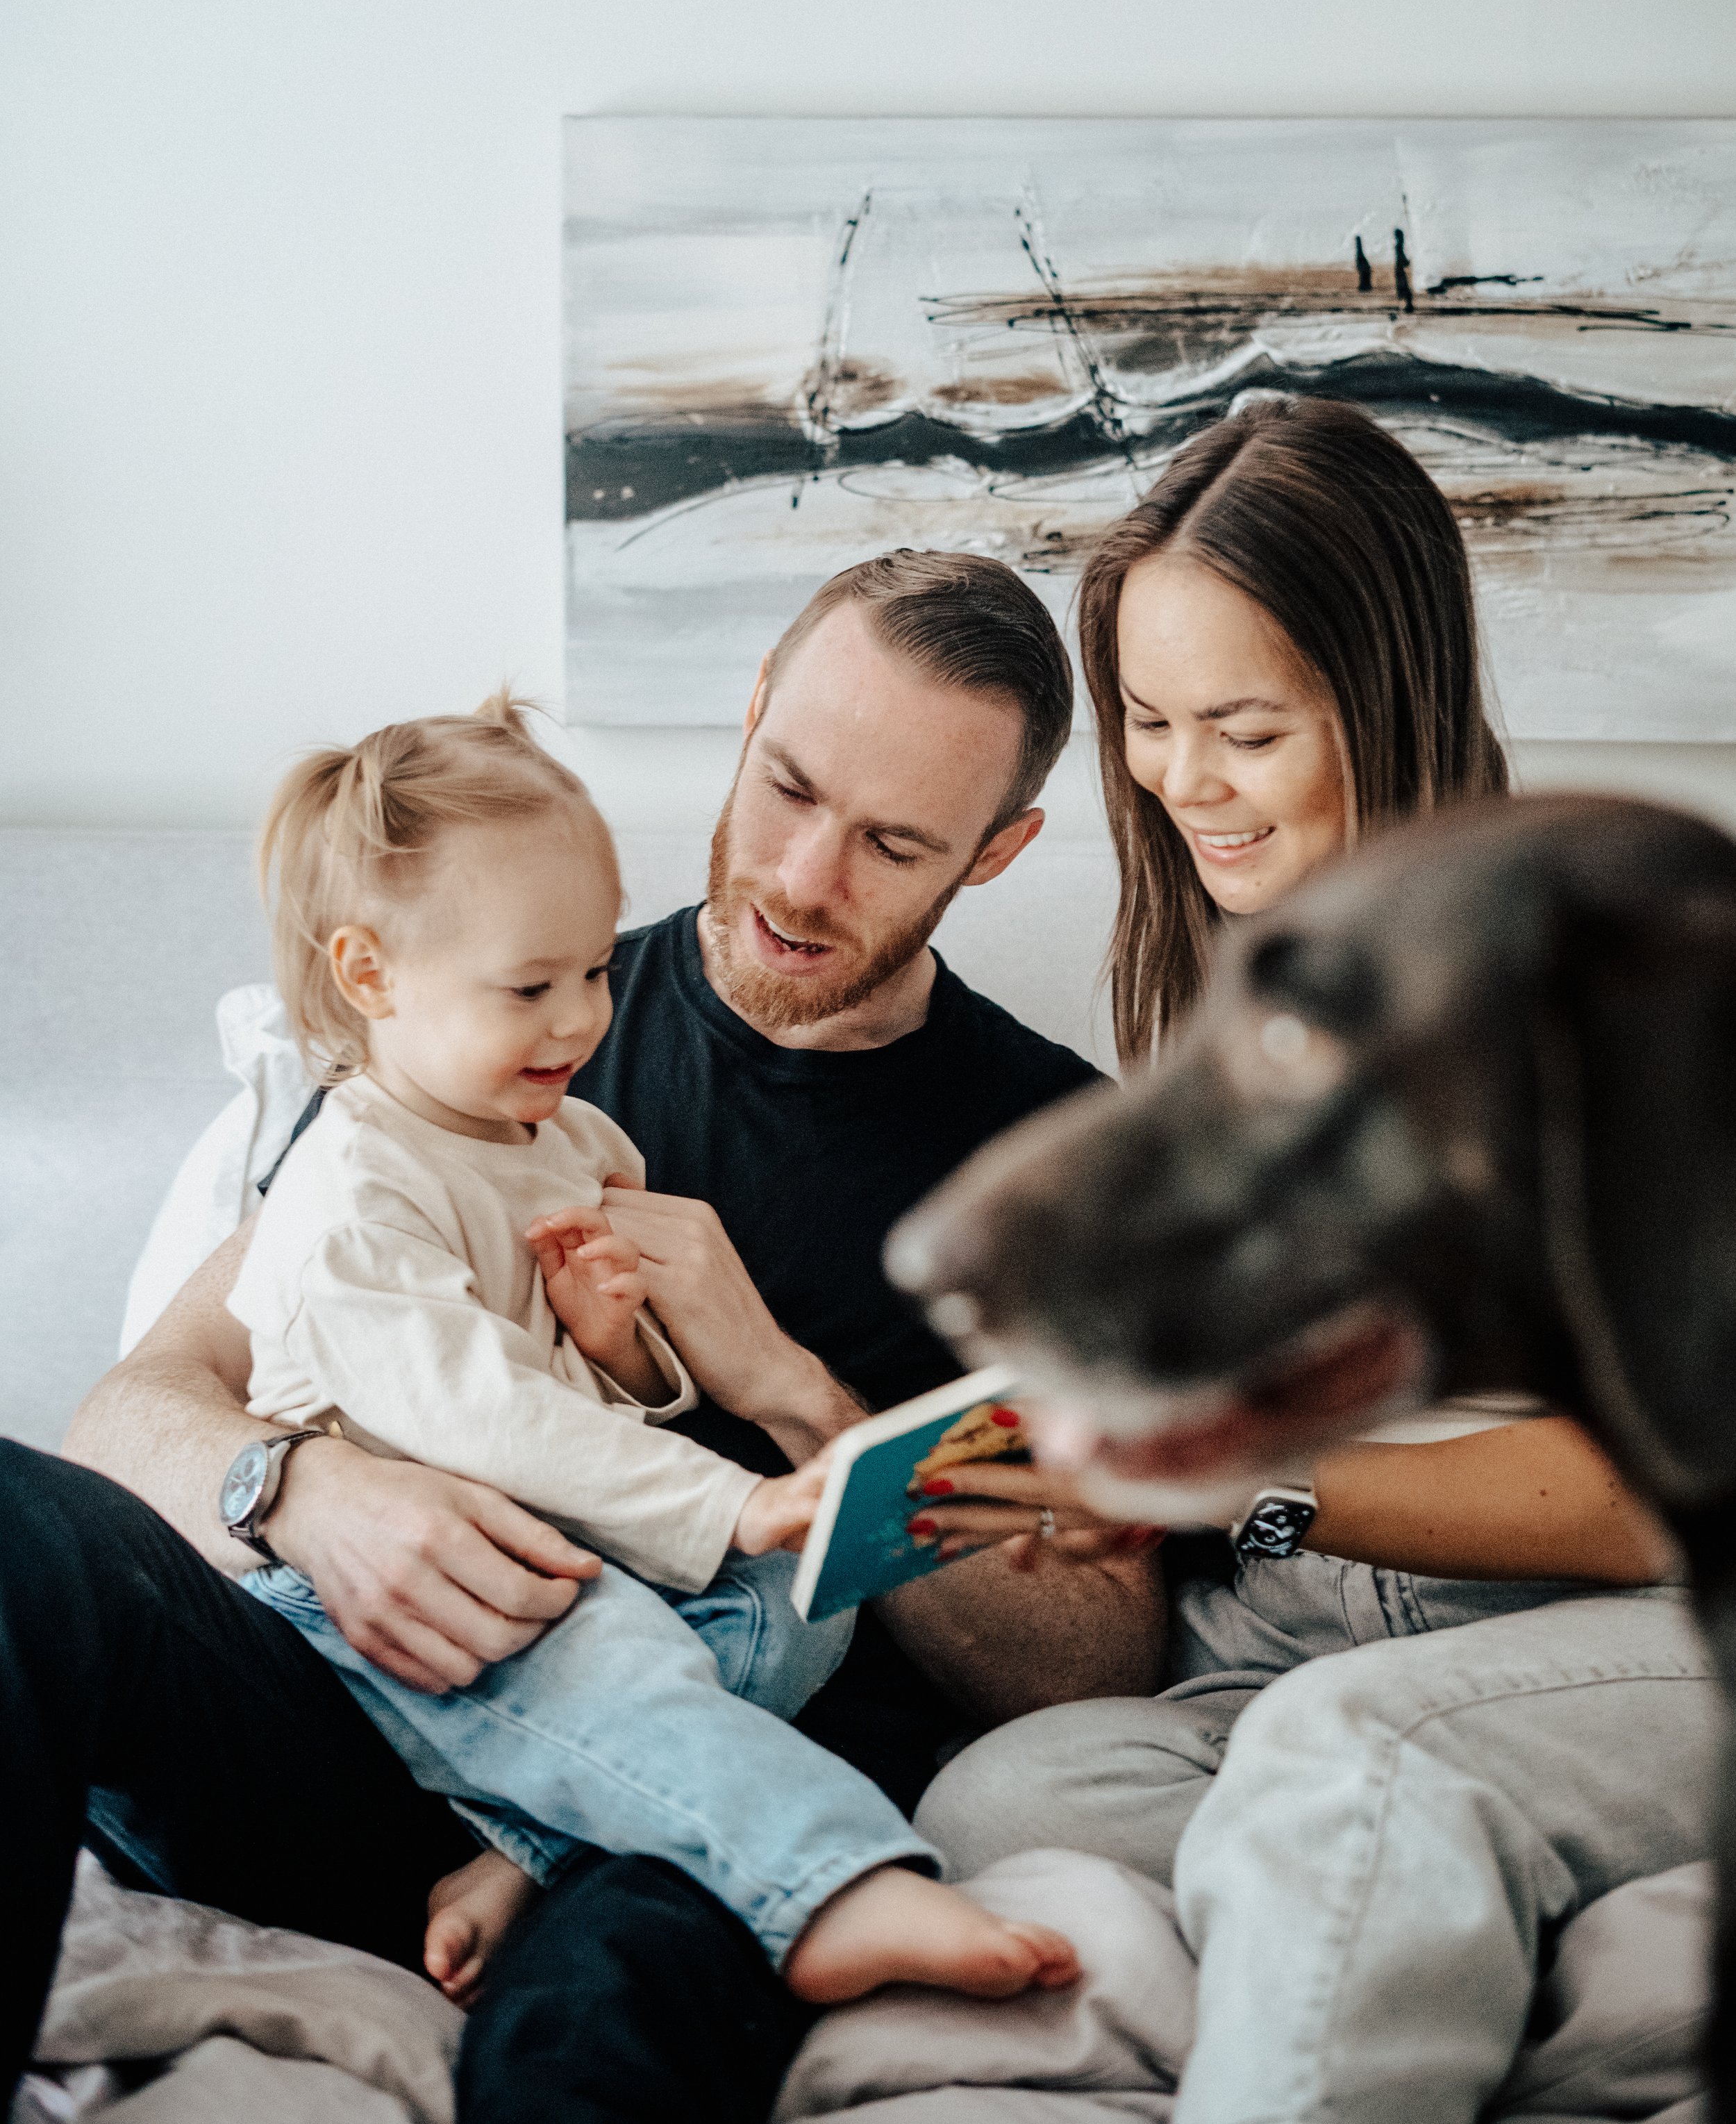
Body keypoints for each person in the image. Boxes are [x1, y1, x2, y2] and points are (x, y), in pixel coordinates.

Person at [16, 548, 1156, 2121]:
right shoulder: (498, 1002)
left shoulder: (1064, 1166)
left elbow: (1094, 1655)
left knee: (610, 2019)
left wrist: (796, 1397)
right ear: (750, 712)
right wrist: (299, 1491)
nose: (803, 877)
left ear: (1000, 851)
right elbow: (140, 1401)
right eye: (788, 786)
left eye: (892, 843)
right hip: (336, 1713)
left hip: (688, 1792)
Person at [908, 399, 1715, 2124]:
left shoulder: (1582, 977)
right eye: (1146, 722)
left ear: (1381, 697)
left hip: (1602, 1615)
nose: (1180, 779)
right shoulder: (1223, 981)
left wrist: (1249, 1489)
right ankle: (1447, 1942)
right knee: (999, 1803)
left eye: (1243, 729)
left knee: (1341, 1761)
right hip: (1292, 1629)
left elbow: (1639, 1500)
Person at [230, 690, 1076, 2007]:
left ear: (998, 849)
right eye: (534, 986)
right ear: (371, 976)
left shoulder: (564, 1135)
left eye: (591, 974)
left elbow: (574, 1408)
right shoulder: (350, 1190)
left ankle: (531, 1842)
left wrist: (625, 1352)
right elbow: (486, 1418)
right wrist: (736, 1502)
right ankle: (834, 1881)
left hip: (565, 1553)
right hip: (383, 1604)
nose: (581, 1021)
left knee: (807, 1607)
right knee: (620, 1648)